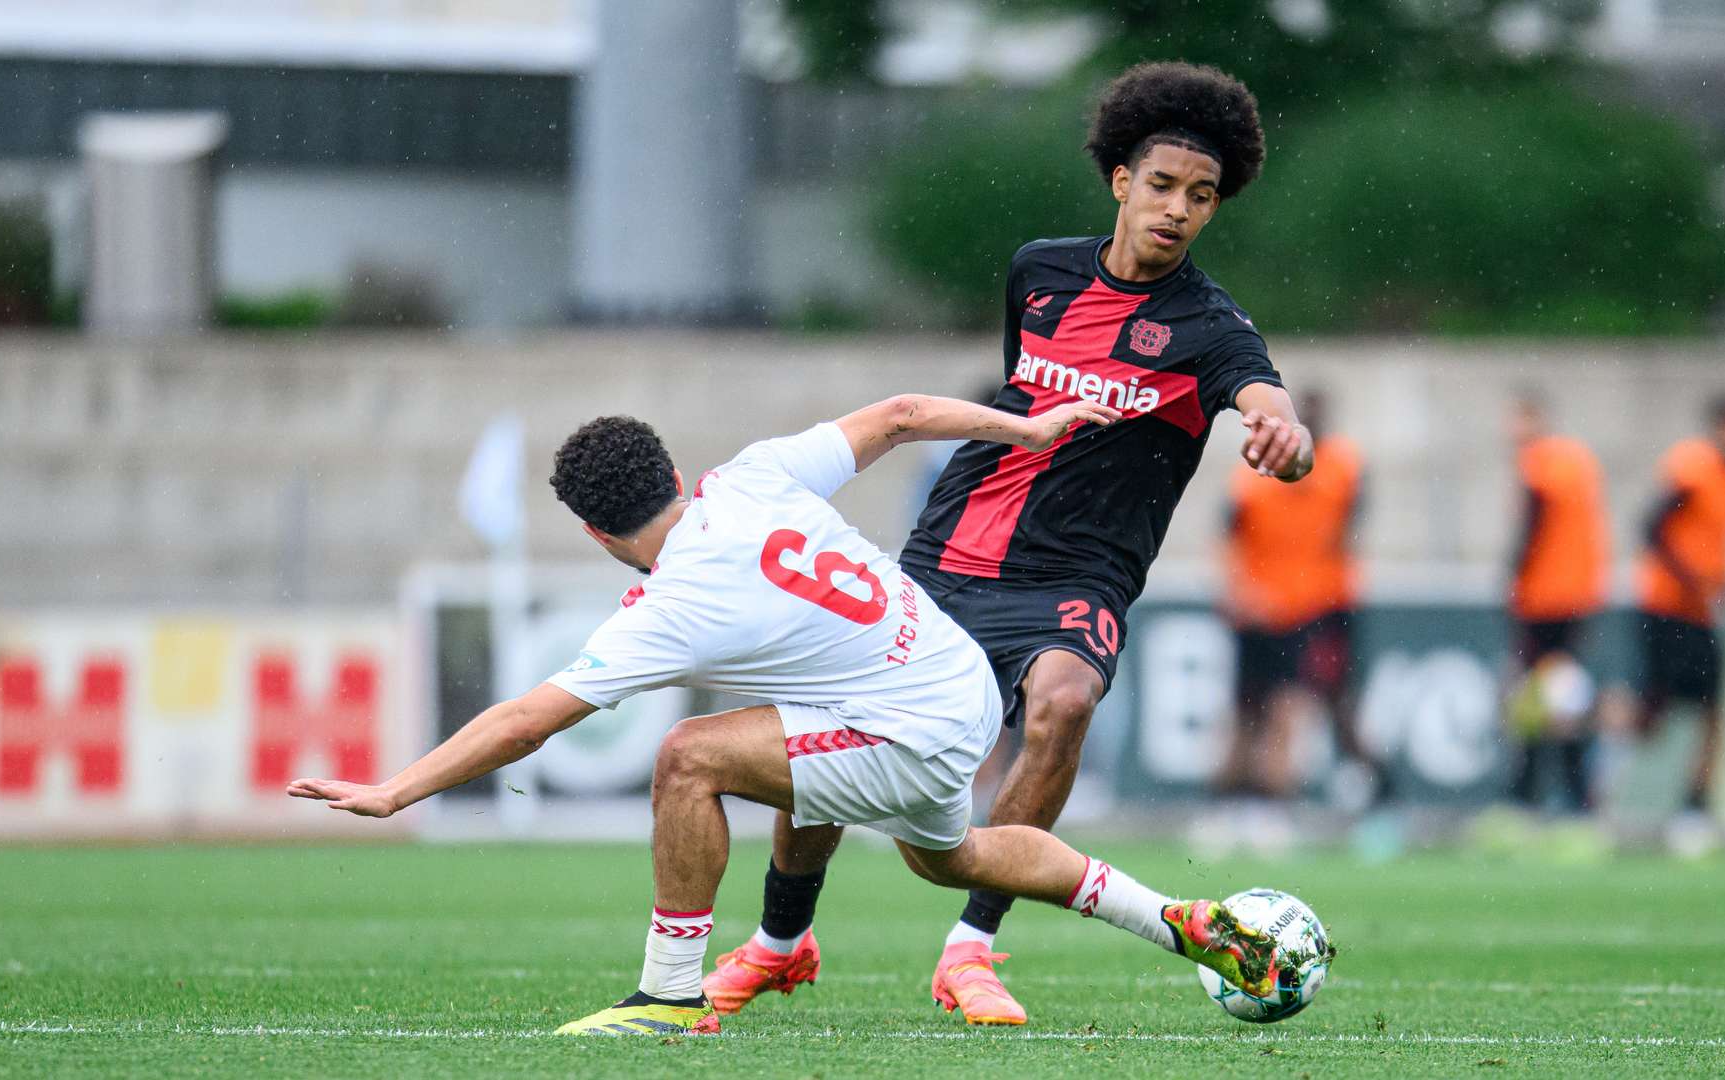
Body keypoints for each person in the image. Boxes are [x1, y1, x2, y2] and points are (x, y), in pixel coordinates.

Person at [288, 393, 1294, 1036]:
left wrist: (395, 790)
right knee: (950, 855)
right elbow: (899, 415)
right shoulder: (753, 475)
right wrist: (1023, 430)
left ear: (598, 534)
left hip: (903, 719)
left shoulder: (671, 604)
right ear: (678, 476)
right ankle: (1183, 920)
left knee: (689, 756)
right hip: (949, 676)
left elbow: (524, 721)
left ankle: (669, 995)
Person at [707, 61, 1314, 1026]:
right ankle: (781, 943)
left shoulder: (1209, 326)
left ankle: (971, 950)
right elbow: (1013, 399)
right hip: (949, 552)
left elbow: (1267, 397)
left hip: (1078, 574)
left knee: (1064, 698)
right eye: (1162, 185)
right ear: (1120, 179)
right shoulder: (1039, 270)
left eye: (1201, 197)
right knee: (832, 719)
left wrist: (1285, 437)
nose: (1178, 211)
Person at [1218, 390, 1366, 802]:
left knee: (1290, 702)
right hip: (1261, 607)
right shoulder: (1254, 475)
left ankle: (1272, 796)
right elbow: (1229, 536)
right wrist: (1237, 590)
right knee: (1250, 707)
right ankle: (1236, 797)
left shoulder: (1339, 468)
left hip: (1306, 607)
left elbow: (1342, 534)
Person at [1633, 393, 1725, 833]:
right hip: (1666, 607)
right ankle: (1598, 775)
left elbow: (1716, 550)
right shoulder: (1694, 469)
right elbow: (1651, 527)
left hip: (1702, 615)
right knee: (1653, 712)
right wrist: (1691, 581)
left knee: (1715, 712)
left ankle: (1696, 806)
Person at [1502, 392, 1610, 814]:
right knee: (1564, 698)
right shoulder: (1575, 459)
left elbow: (1534, 521)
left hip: (1545, 598)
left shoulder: (1540, 462)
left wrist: (1512, 576)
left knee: (1535, 700)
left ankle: (1530, 795)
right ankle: (1574, 795)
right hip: (1577, 594)